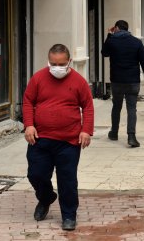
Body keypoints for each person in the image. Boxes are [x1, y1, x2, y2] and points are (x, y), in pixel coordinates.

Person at [23, 44, 94, 231]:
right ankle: (46, 198)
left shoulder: (79, 81)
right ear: (48, 61)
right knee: (35, 174)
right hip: (40, 139)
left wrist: (86, 130)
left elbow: (87, 106)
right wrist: (28, 124)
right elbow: (28, 101)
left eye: (61, 64)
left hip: (69, 141)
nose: (57, 67)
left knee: (67, 179)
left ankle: (69, 215)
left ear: (69, 62)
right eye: (53, 63)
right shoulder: (38, 78)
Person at [101, 20, 144, 148]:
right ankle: (131, 136)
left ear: (117, 28)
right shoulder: (136, 42)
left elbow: (104, 53)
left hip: (117, 81)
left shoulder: (112, 41)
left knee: (116, 106)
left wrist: (109, 35)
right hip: (132, 81)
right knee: (131, 108)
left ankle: (114, 133)